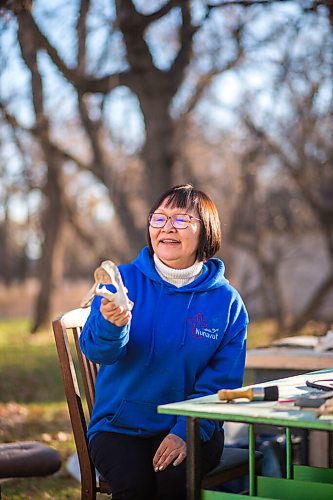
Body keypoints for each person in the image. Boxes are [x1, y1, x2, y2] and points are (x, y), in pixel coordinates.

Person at [80, 184, 248, 500]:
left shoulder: (227, 304)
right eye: (159, 219)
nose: (167, 228)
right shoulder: (124, 281)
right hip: (119, 427)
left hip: (192, 426)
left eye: (182, 220)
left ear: (206, 232)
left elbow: (221, 385)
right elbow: (96, 350)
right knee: (135, 488)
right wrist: (112, 327)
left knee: (174, 484)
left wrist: (186, 433)